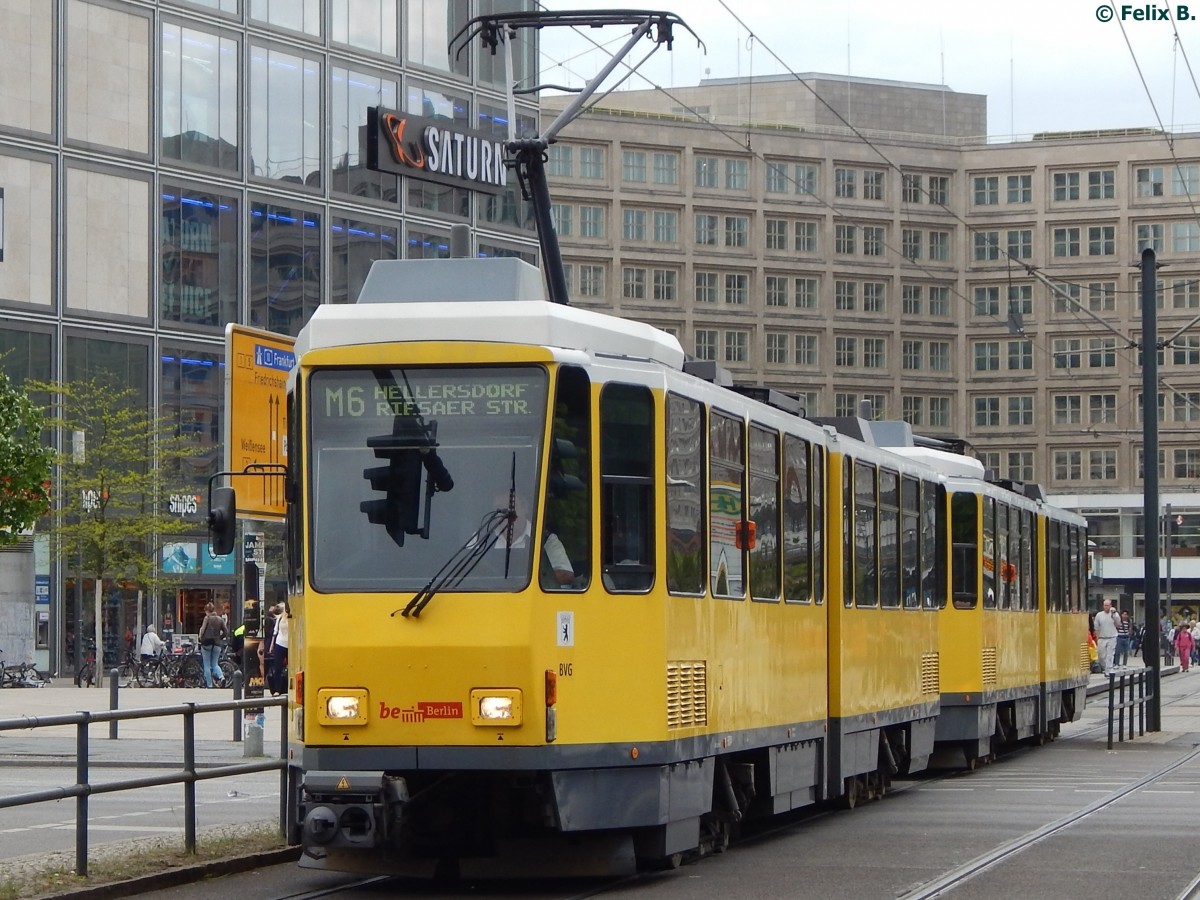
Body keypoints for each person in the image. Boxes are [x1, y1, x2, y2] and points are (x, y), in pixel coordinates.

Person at [489, 493, 574, 587]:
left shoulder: (546, 539)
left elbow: (567, 575)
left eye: (512, 506)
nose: (507, 513)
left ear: (525, 508)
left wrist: (530, 573)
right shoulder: (483, 540)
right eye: (500, 509)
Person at [197, 601, 229, 688]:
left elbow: (202, 630)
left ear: (207, 610)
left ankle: (209, 685)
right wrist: (220, 638)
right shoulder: (220, 619)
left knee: (207, 665)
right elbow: (226, 632)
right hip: (217, 644)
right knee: (215, 664)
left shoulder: (207, 618)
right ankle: (221, 677)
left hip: (206, 644)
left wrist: (200, 638)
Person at [1093, 598, 1120, 675]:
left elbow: (1118, 625)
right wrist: (1097, 639)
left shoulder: (1115, 615)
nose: (1106, 607)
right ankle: (1105, 667)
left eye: (1107, 605)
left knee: (1110, 655)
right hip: (1102, 638)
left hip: (1112, 637)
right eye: (1105, 605)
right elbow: (1096, 628)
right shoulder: (1099, 615)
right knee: (1101, 656)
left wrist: (1114, 616)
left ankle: (1109, 670)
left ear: (1110, 606)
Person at [268, 601, 289, 696]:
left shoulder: (293, 617)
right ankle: (277, 690)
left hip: (290, 644)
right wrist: (272, 645)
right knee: (278, 667)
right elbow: (275, 631)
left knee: (292, 668)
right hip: (280, 643)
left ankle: (290, 687)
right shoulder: (280, 618)